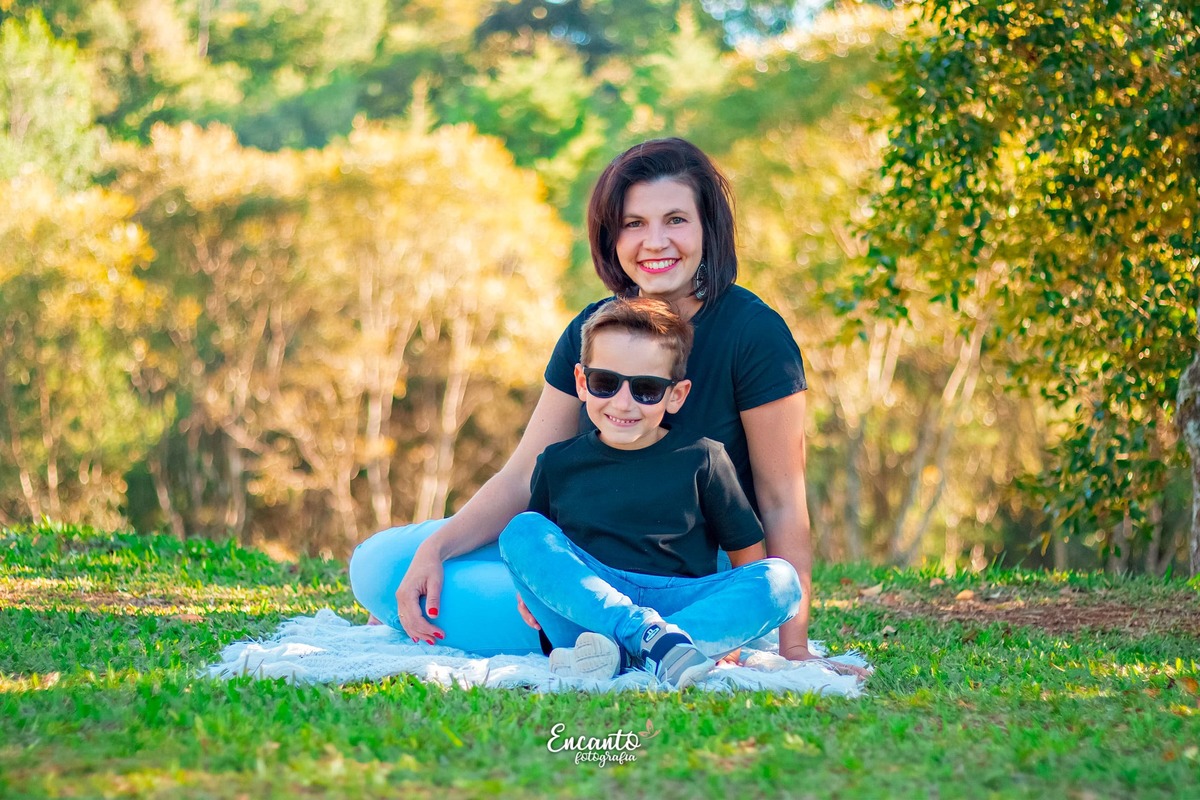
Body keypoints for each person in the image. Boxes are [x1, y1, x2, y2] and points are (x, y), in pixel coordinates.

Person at [350, 136, 838, 670]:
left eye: (676, 220)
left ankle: (639, 640)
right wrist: (435, 551)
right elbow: (522, 479)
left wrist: (794, 648)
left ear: (707, 230)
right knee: (382, 564)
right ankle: (647, 643)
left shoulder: (755, 334)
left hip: (687, 570)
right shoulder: (593, 326)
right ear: (612, 236)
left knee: (395, 585)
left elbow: (781, 499)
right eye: (634, 224)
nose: (656, 242)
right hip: (581, 547)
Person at [497, 296, 801, 689]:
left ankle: (627, 655)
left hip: (679, 604)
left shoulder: (703, 459)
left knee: (781, 579)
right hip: (592, 612)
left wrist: (733, 633)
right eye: (605, 382)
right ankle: (651, 642)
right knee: (520, 532)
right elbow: (547, 552)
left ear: (676, 394)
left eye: (646, 389)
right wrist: (539, 584)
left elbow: (747, 558)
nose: (623, 403)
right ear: (580, 382)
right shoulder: (557, 463)